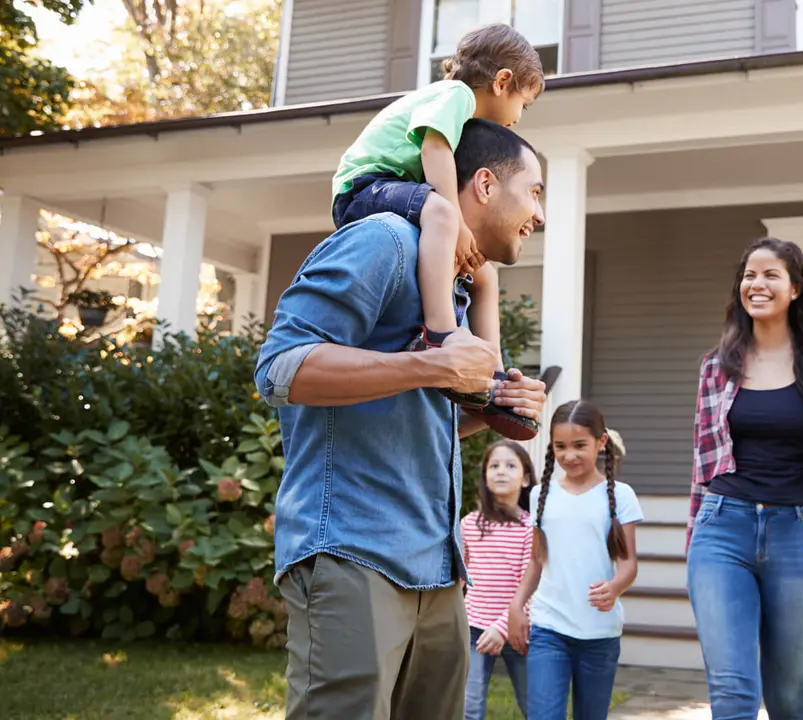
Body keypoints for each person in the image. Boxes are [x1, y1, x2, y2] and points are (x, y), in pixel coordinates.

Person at [255, 117, 548, 720]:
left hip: (438, 570)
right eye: (536, 191)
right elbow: (280, 369)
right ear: (486, 184)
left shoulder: (457, 287)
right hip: (352, 552)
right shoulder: (385, 240)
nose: (540, 215)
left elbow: (414, 411)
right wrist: (433, 368)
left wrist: (494, 413)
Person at [330, 23, 545, 439]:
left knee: (484, 273)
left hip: (389, 188)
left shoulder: (456, 109)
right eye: (524, 103)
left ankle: (494, 380)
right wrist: (456, 221)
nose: (518, 118)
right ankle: (441, 335)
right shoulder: (455, 96)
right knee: (441, 214)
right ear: (503, 82)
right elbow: (434, 150)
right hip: (364, 185)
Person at [686, 236, 803, 720]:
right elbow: (702, 468)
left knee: (785, 699)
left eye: (770, 275)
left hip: (799, 535)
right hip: (723, 529)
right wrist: (694, 542)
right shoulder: (715, 369)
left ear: (795, 288)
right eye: (748, 274)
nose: (756, 284)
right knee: (734, 693)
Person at [506, 400, 643, 720]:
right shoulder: (542, 494)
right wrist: (516, 607)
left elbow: (628, 563)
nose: (569, 455)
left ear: (601, 442)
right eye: (560, 446)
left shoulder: (620, 496)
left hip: (599, 635)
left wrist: (615, 587)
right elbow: (537, 561)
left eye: (580, 445)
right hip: (549, 628)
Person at [461, 440, 535, 720]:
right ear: (485, 477)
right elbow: (460, 579)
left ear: (525, 478)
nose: (501, 471)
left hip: (518, 630)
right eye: (494, 466)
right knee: (469, 707)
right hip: (474, 630)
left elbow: (529, 587)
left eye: (510, 465)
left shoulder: (531, 528)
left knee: (535, 706)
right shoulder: (468, 524)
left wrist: (502, 629)